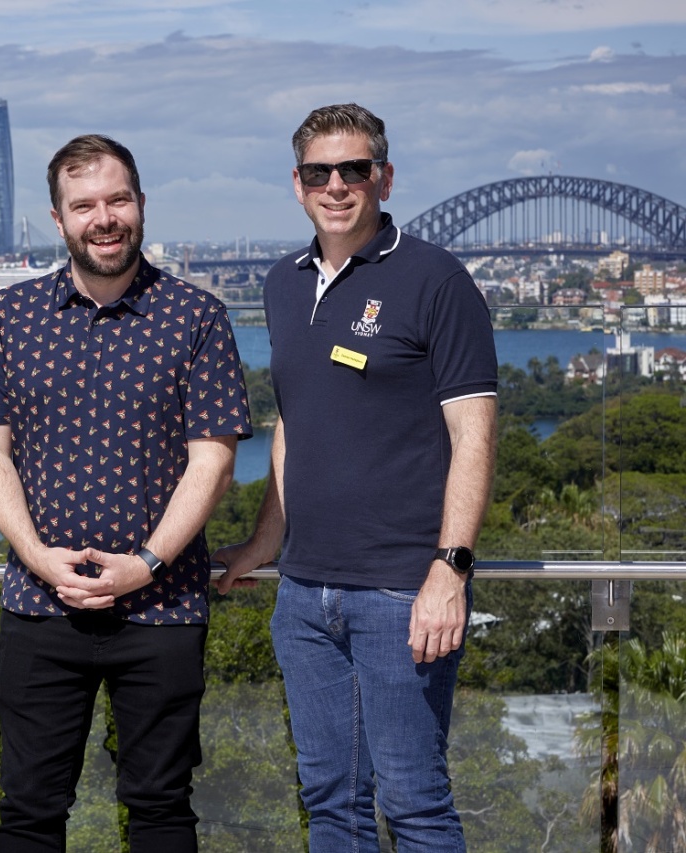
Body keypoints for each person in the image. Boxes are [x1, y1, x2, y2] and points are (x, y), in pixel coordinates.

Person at [213, 103, 498, 850]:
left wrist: (450, 569)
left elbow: (473, 434)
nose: (336, 185)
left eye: (354, 169)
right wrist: (263, 544)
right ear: (298, 183)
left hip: (402, 590)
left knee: (414, 802)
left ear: (384, 177)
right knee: (330, 801)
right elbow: (294, 424)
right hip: (304, 592)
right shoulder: (282, 283)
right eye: (319, 172)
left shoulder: (436, 279)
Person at [0, 134, 252, 851]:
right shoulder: (9, 315)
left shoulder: (197, 316)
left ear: (141, 204)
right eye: (84, 204)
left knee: (161, 807)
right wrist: (37, 556)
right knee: (28, 810)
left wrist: (145, 563)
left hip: (163, 606)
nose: (104, 218)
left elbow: (213, 462)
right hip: (39, 604)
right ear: (57, 218)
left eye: (117, 200)